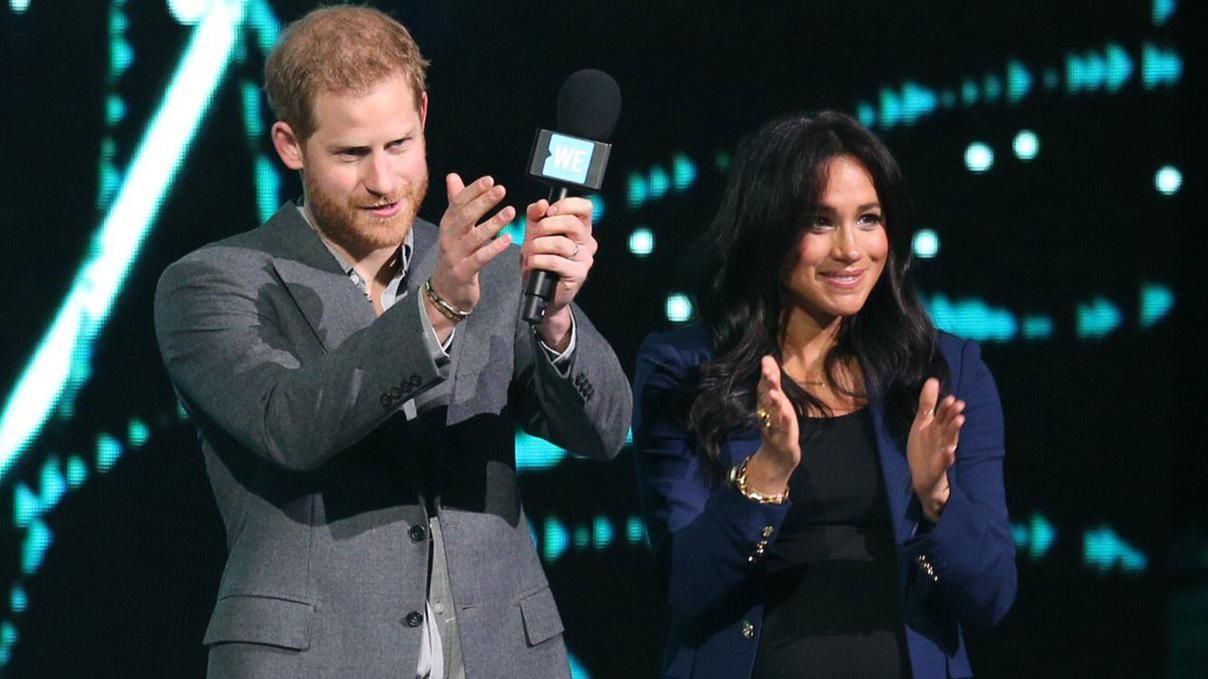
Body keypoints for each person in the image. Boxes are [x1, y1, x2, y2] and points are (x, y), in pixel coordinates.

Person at [153, 6, 631, 678]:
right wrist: (434, 307)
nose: (383, 181)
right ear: (291, 145)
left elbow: (605, 430)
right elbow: (292, 424)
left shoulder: (487, 266)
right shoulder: (213, 283)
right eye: (352, 154)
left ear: (425, 117)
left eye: (400, 145)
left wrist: (555, 322)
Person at [632, 112, 1016, 678]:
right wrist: (763, 478)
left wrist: (937, 500)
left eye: (868, 220)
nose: (850, 249)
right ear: (768, 230)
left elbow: (992, 595)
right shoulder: (686, 369)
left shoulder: (945, 371)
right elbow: (687, 588)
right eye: (819, 222)